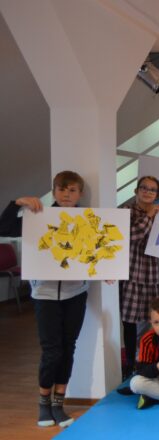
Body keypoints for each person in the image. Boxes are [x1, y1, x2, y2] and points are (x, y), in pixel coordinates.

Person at [0, 171, 88, 428]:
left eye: (72, 190)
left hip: (76, 293)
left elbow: (98, 251)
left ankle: (58, 404)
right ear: (54, 191)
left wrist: (106, 271)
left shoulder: (89, 219)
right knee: (52, 351)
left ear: (80, 194)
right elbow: (4, 228)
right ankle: (43, 403)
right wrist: (16, 204)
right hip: (45, 294)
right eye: (61, 189)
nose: (67, 195)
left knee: (68, 347)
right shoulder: (37, 217)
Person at [120, 176, 159, 379]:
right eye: (144, 188)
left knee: (154, 319)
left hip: (151, 272)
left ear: (157, 194)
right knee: (129, 322)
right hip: (131, 273)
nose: (147, 192)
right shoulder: (126, 211)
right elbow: (131, 237)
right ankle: (130, 364)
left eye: (152, 190)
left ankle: (150, 361)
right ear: (136, 191)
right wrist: (149, 216)